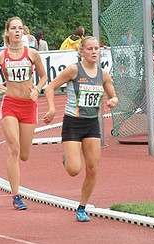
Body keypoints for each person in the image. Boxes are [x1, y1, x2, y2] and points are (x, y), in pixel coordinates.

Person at [43, 36, 119, 222]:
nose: (94, 52)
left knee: (93, 168)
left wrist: (113, 100)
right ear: (81, 52)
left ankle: (82, 208)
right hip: (73, 123)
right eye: (90, 49)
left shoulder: (104, 74)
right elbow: (50, 87)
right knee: (74, 170)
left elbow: (113, 95)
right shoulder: (73, 70)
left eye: (96, 49)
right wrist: (52, 108)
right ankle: (68, 159)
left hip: (92, 124)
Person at [0, 16, 47, 210]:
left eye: (20, 29)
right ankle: (16, 196)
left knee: (24, 154)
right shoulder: (1, 56)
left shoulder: (32, 54)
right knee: (13, 148)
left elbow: (43, 76)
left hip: (28, 106)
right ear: (7, 33)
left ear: (23, 32)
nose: (17, 31)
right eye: (13, 28)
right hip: (9, 104)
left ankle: (16, 191)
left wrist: (37, 89)